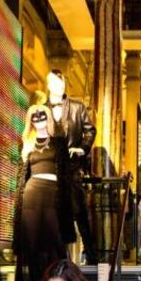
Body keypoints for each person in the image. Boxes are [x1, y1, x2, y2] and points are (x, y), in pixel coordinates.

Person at [13, 104, 75, 281]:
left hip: (52, 193)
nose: (39, 119)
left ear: (48, 118)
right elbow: (22, 174)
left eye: (42, 115)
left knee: (56, 239)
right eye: (34, 116)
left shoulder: (58, 142)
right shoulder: (26, 145)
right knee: (31, 242)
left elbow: (66, 173)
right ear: (30, 121)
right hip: (31, 193)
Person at [45, 71, 97, 264]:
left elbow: (90, 130)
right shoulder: (42, 109)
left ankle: (91, 255)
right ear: (48, 85)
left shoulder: (77, 107)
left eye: (62, 83)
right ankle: (58, 258)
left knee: (79, 210)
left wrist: (82, 148)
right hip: (50, 167)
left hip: (72, 166)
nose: (60, 86)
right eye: (56, 83)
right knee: (54, 213)